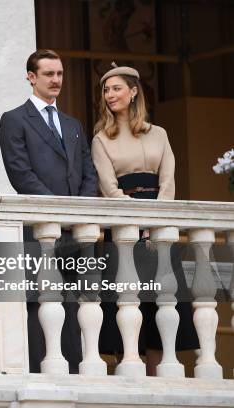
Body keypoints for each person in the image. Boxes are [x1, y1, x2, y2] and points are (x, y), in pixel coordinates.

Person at [91, 64, 198, 375]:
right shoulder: (101, 138)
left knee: (159, 303)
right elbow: (109, 188)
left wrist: (155, 224)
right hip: (124, 227)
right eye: (106, 90)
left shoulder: (160, 134)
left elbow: (168, 182)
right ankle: (130, 372)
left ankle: (158, 375)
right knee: (127, 302)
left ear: (133, 90)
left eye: (116, 88)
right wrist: (138, 226)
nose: (110, 95)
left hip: (159, 225)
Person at [0, 49, 98, 373]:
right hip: (37, 228)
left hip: (72, 230)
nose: (56, 80)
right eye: (48, 74)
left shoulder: (72, 124)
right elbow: (20, 173)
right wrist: (58, 211)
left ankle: (70, 373)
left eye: (59, 74)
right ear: (31, 77)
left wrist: (78, 211)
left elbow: (88, 171)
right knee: (38, 302)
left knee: (71, 303)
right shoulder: (13, 119)